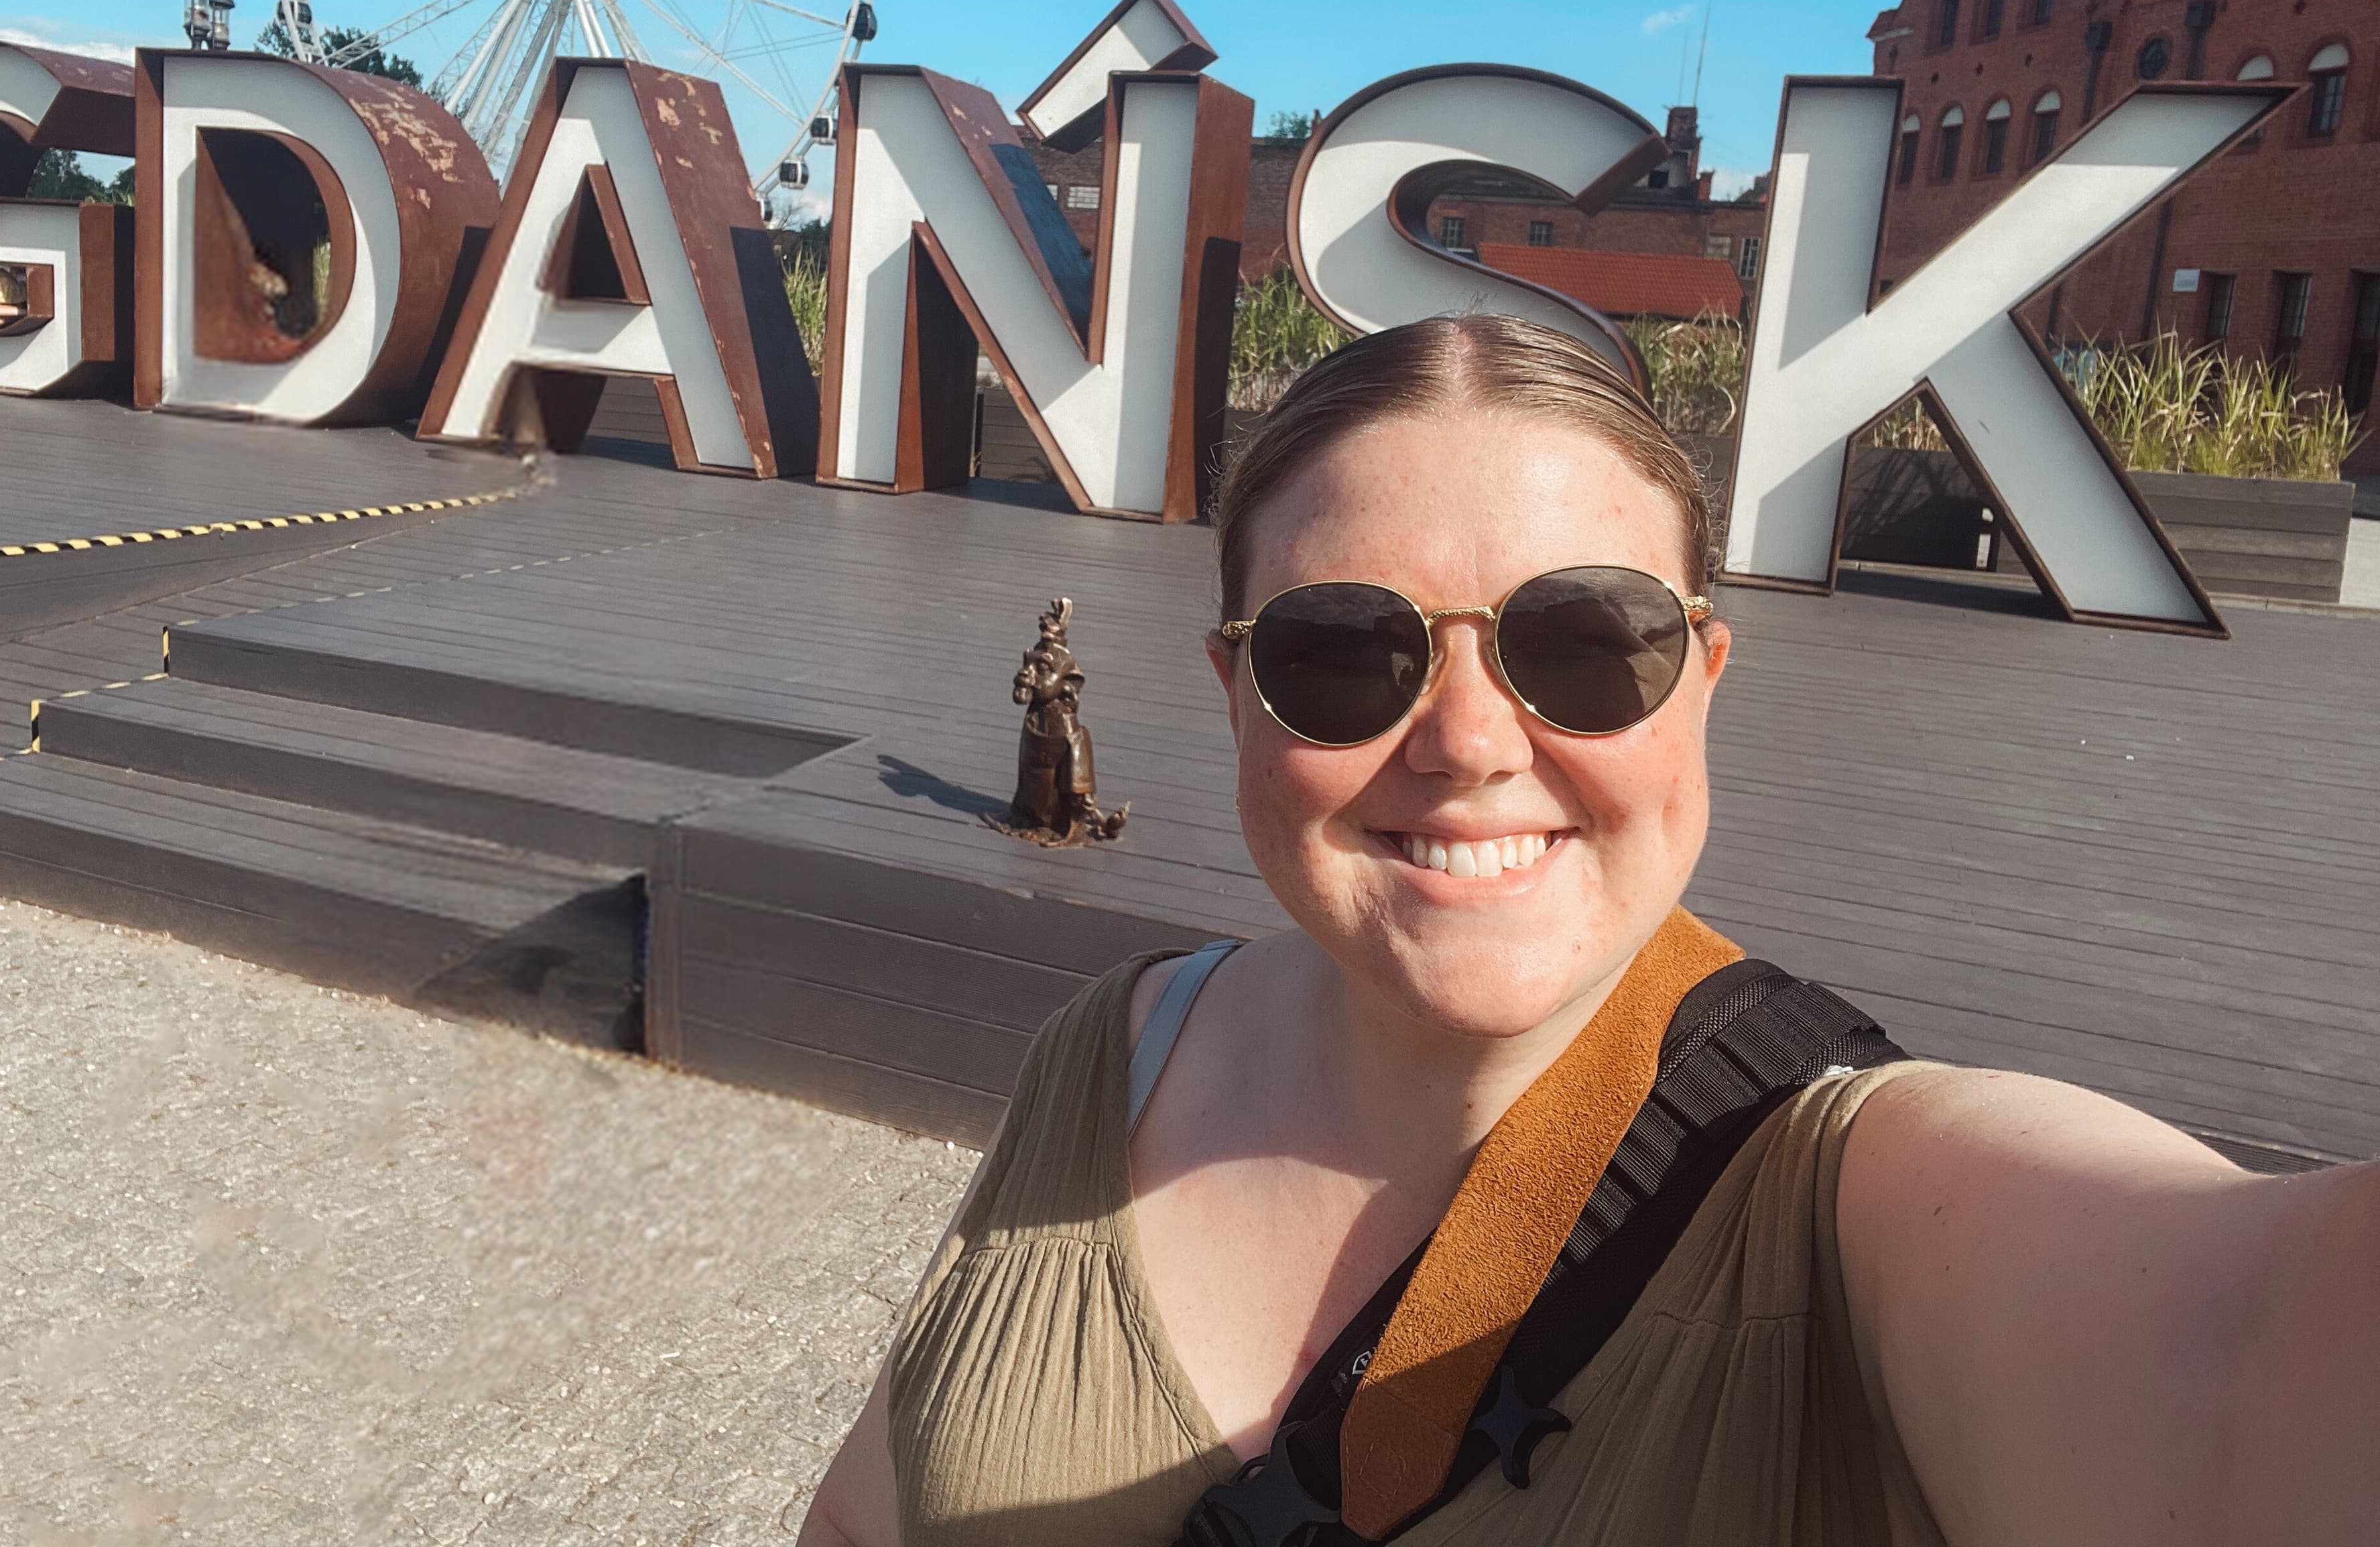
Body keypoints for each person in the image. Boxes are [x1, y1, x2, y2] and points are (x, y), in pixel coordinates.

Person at [801, 314, 2376, 1547]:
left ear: (1703, 678)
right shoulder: (1117, 1048)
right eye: (1349, 650)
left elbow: (2256, 1364)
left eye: (1587, 642)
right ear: (1234, 693)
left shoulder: (1865, 1210)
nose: (1471, 739)